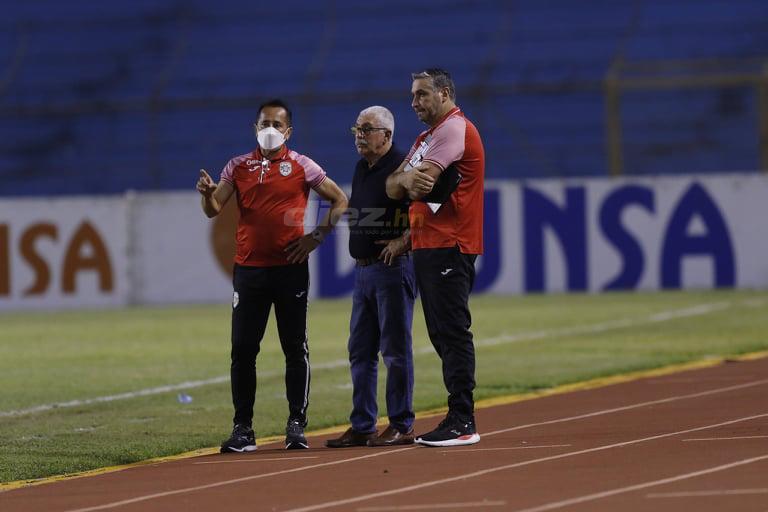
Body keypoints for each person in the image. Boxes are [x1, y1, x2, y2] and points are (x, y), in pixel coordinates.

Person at [196, 99, 348, 452]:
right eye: (265, 123)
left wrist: (316, 237)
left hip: (290, 270)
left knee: (295, 348)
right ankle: (242, 429)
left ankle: (296, 424)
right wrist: (206, 196)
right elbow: (213, 209)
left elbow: (340, 200)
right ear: (254, 127)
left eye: (277, 124)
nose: (270, 129)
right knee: (243, 350)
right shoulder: (237, 166)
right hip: (249, 271)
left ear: (288, 131)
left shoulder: (302, 165)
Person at [385, 68, 484, 447]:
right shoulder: (428, 136)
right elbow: (394, 184)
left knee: (452, 331)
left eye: (422, 94)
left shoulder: (452, 130)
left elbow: (419, 182)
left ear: (444, 93)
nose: (414, 103)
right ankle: (458, 415)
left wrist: (406, 181)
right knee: (441, 333)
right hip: (429, 243)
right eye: (412, 95)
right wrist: (405, 181)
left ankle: (463, 419)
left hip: (450, 242)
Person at [325, 106, 416, 448]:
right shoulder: (362, 167)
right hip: (363, 271)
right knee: (360, 351)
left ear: (387, 135)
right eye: (357, 129)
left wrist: (403, 240)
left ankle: (402, 423)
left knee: (394, 350)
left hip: (393, 269)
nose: (359, 136)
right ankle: (363, 424)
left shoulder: (404, 166)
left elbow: (428, 212)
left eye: (367, 129)